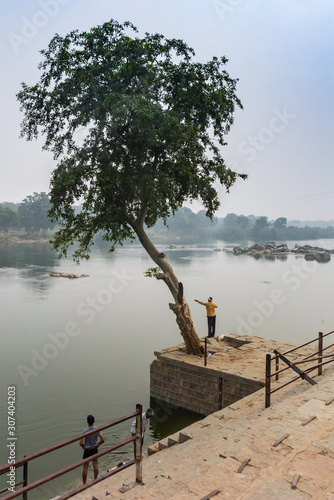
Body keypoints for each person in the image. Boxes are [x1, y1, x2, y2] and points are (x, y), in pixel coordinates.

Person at [79, 414, 105, 484]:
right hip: (94, 448)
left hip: (87, 450)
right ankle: (95, 480)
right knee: (95, 464)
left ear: (87, 421)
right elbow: (103, 439)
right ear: (94, 421)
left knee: (85, 467)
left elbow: (81, 442)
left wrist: (83, 446)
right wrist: (98, 444)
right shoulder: (97, 429)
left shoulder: (85, 431)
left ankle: (84, 483)